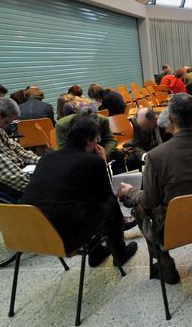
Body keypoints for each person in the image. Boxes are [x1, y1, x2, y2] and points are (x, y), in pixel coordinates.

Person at [118, 94, 192, 283]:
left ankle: (165, 261)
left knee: (138, 208)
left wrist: (130, 190)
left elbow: (150, 200)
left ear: (169, 118)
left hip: (172, 228)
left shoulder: (155, 157)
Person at [20, 112, 137, 267]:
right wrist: (101, 162)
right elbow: (105, 194)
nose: (98, 142)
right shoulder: (92, 161)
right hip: (66, 236)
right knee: (110, 204)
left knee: (83, 204)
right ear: (89, 140)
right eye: (97, 139)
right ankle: (120, 254)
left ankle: (97, 253)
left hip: (32, 232)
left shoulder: (46, 158)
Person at [55, 108, 125, 174]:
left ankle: (120, 181)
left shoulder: (103, 120)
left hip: (98, 150)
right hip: (75, 153)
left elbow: (111, 140)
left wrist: (104, 155)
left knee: (118, 154)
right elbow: (63, 150)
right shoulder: (62, 126)